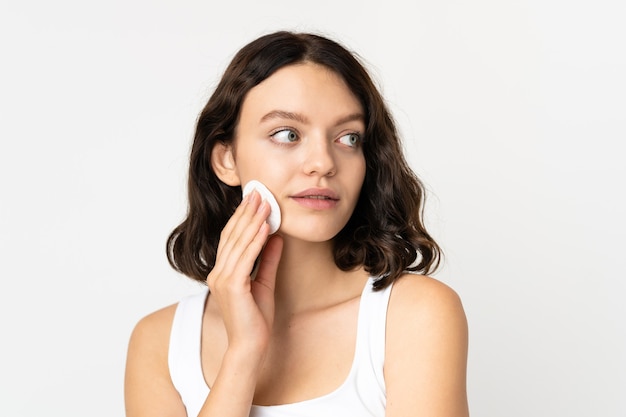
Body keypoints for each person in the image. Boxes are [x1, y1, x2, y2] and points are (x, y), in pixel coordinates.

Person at [124, 31, 469, 417]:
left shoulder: (414, 314)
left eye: (348, 137)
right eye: (287, 134)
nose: (323, 162)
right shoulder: (159, 342)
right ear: (226, 159)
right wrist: (243, 353)